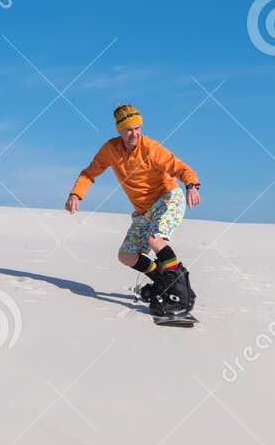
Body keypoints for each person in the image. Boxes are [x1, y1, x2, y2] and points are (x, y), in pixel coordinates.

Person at [64, 103, 202, 316]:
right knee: (127, 255)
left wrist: (191, 185)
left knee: (155, 239)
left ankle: (181, 296)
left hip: (168, 198)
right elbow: (89, 173)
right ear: (119, 130)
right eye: (129, 129)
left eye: (138, 128)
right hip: (142, 211)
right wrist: (76, 194)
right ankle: (162, 280)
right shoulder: (110, 150)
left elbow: (179, 167)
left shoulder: (151, 148)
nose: (134, 133)